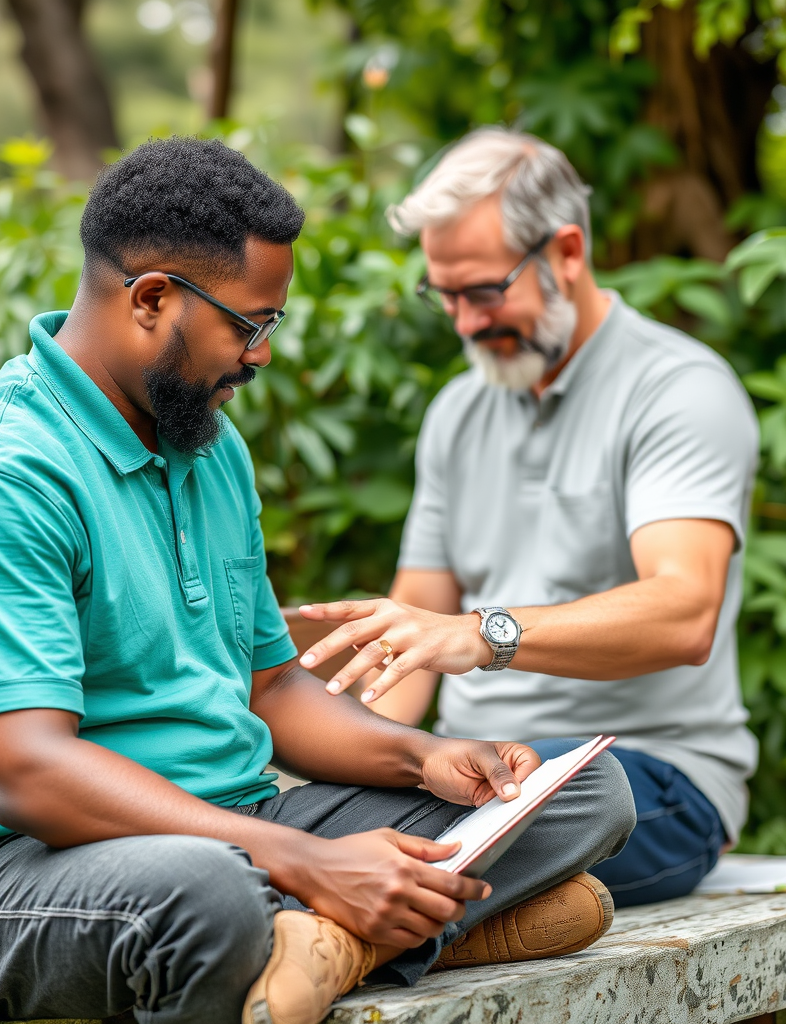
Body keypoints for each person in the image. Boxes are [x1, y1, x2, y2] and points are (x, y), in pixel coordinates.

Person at [0, 137, 635, 1024]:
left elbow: (270, 688)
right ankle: (347, 929)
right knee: (210, 898)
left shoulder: (207, 446)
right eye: (249, 324)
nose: (261, 356)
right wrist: (299, 861)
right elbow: (27, 775)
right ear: (151, 298)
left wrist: (424, 759)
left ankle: (326, 949)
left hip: (231, 824)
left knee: (578, 794)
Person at [297, 128, 759, 907]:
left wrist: (483, 635)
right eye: (444, 295)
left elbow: (685, 613)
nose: (465, 323)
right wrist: (323, 741)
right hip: (472, 769)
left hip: (646, 776)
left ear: (568, 252)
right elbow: (405, 655)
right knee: (288, 818)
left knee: (510, 809)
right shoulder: (457, 412)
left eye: (483, 291)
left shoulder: (679, 390)